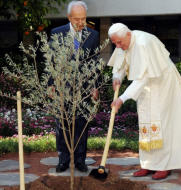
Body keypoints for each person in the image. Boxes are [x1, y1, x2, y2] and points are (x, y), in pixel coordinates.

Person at [107, 23, 181, 180]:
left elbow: (142, 77)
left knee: (161, 124)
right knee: (145, 123)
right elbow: (121, 63)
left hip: (163, 85)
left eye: (119, 42)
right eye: (114, 43)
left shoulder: (144, 43)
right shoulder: (122, 42)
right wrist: (117, 77)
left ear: (129, 35)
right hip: (146, 87)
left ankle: (163, 166)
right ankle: (148, 164)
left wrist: (122, 98)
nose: (118, 46)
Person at [50, 1, 99, 173]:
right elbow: (51, 61)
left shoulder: (92, 35)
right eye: (77, 19)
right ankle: (63, 160)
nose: (80, 22)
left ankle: (80, 160)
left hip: (84, 89)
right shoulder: (57, 33)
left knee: (82, 125)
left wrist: (95, 86)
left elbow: (94, 63)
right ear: (69, 17)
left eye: (83, 19)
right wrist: (51, 85)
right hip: (63, 89)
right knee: (62, 125)